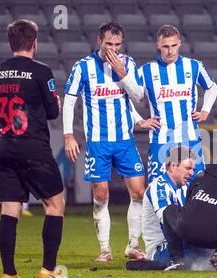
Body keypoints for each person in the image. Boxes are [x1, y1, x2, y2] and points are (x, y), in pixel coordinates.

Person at [63, 22, 160, 262]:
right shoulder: (83, 67)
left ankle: (132, 245)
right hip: (98, 142)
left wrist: (123, 74)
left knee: (139, 193)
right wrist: (68, 135)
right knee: (102, 195)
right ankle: (105, 249)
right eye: (109, 44)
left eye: (117, 45)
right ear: (99, 41)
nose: (113, 50)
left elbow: (137, 96)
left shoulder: (127, 64)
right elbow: (69, 101)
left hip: (125, 140)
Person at [0, 19, 73, 278]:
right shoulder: (41, 71)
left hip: (4, 147)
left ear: (10, 43)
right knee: (55, 204)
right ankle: (48, 269)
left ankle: (9, 273)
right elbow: (51, 112)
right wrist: (56, 104)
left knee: (9, 209)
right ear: (34, 43)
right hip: (33, 147)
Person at [136, 24, 217, 184]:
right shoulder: (146, 71)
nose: (170, 50)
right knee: (157, 185)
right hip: (161, 139)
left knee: (198, 185)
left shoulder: (194, 66)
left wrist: (205, 110)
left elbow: (212, 87)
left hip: (190, 137)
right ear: (158, 45)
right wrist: (140, 120)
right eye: (165, 46)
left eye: (173, 45)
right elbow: (127, 97)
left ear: (179, 43)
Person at [0, 105, 33, 217]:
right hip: (12, 145)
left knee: (14, 178)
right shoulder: (13, 103)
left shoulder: (0, 104)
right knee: (18, 177)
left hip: (6, 146)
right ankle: (17, 207)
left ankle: (18, 207)